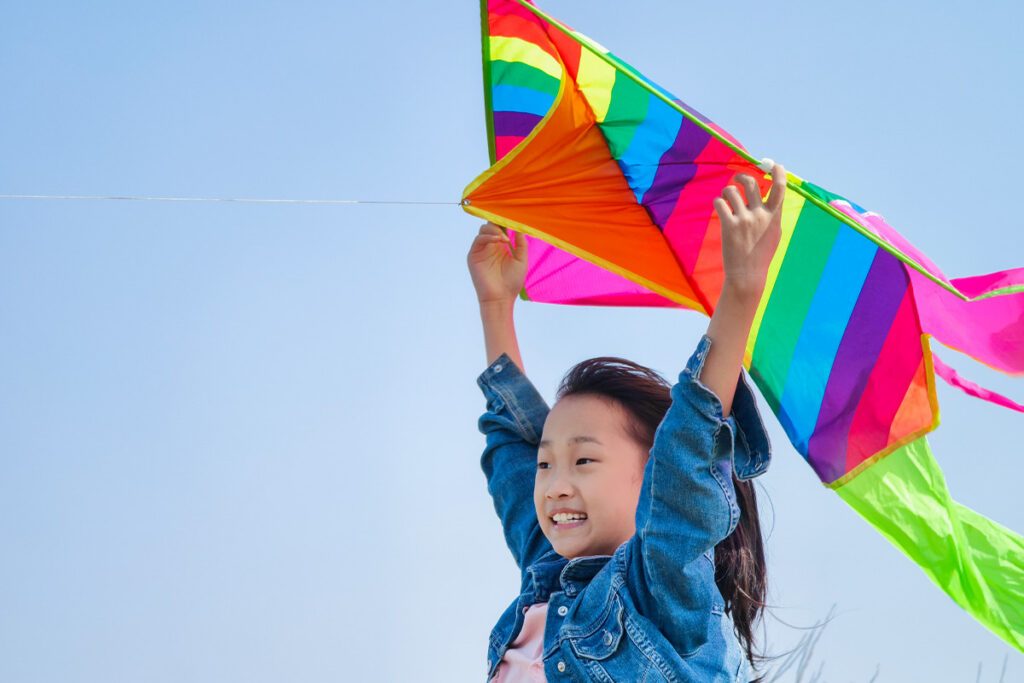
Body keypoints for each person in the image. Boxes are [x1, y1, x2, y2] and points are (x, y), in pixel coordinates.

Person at [468, 164, 786, 682]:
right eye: (547, 466)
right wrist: (496, 303)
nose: (554, 485)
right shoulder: (545, 572)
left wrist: (742, 290)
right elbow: (512, 446)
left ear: (651, 481)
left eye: (583, 460)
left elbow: (686, 454)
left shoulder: (660, 585)